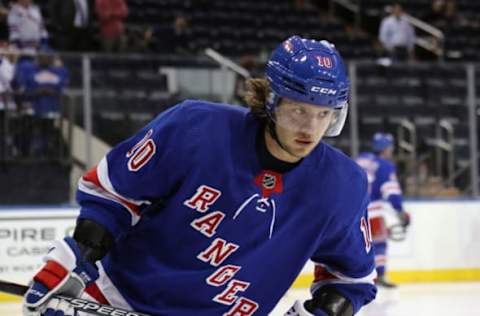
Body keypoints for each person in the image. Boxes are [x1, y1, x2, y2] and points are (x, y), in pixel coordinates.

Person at [22, 35, 377, 316]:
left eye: (324, 115)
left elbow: (350, 279)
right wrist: (71, 265)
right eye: (299, 110)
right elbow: (114, 198)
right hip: (117, 303)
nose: (310, 129)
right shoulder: (194, 128)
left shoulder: (341, 186)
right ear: (271, 100)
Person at [355, 133, 410, 288]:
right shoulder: (385, 165)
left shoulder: (360, 159)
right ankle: (379, 275)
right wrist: (400, 211)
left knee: (356, 244)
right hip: (372, 211)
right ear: (386, 148)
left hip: (351, 210)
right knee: (379, 243)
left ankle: (354, 276)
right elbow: (391, 191)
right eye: (390, 147)